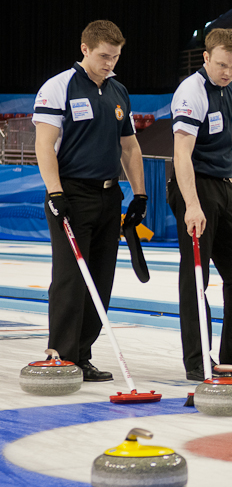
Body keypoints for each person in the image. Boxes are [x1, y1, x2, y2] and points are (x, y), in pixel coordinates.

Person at [33, 20, 147, 381]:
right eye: (103, 56)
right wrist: (55, 192)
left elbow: (129, 147)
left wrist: (140, 194)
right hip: (72, 193)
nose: (109, 63)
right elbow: (44, 144)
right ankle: (61, 356)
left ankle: (82, 354)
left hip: (109, 195)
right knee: (70, 277)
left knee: (100, 278)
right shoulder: (58, 87)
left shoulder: (118, 91)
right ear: (85, 49)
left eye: (115, 57)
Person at [168, 28, 232, 380]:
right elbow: (181, 154)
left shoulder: (228, 93)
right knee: (196, 276)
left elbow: (227, 144)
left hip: (222, 186)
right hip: (194, 187)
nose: (227, 72)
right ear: (206, 58)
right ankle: (198, 359)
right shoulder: (191, 92)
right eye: (222, 65)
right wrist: (191, 205)